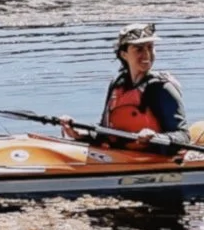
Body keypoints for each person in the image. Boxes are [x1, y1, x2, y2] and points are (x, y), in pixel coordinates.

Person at [61, 22, 190, 150]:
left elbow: (183, 136)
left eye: (150, 47)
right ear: (124, 54)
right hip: (122, 156)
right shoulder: (117, 85)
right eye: (139, 49)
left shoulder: (162, 88)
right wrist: (82, 134)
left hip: (154, 158)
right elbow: (106, 131)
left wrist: (156, 138)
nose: (146, 54)